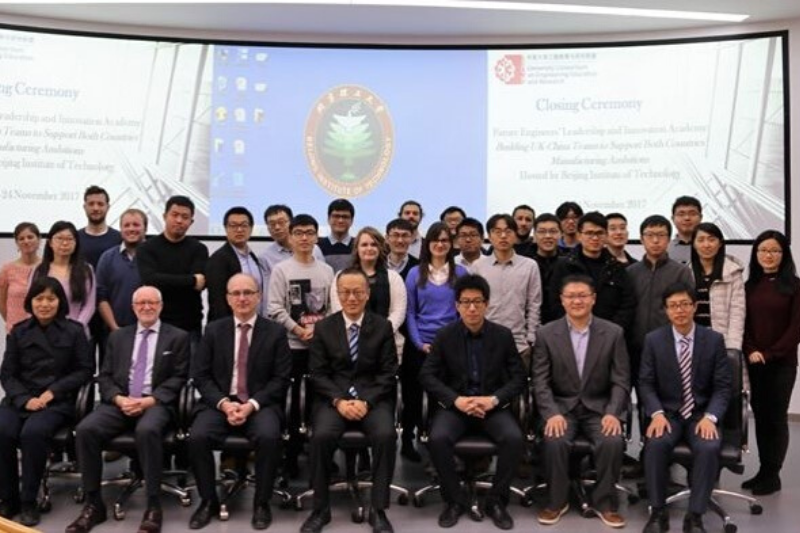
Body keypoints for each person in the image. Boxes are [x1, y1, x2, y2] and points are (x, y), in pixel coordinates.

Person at [67, 286, 189, 533]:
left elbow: (179, 377)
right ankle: (93, 504)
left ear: (161, 306)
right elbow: (105, 376)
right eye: (141, 303)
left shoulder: (178, 337)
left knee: (147, 430)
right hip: (120, 401)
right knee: (86, 429)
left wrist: (150, 401)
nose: (147, 307)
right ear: (133, 308)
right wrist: (119, 399)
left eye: (152, 302)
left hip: (155, 403)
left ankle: (153, 505)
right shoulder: (118, 337)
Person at [419, 274, 526, 530]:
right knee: (438, 438)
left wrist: (493, 400)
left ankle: (496, 501)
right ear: (457, 306)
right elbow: (427, 375)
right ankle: (454, 501)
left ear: (486, 304)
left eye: (477, 301)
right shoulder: (445, 335)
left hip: (491, 407)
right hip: (457, 407)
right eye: (465, 302)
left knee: (514, 438)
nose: (472, 308)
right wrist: (456, 400)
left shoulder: (502, 335)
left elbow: (519, 377)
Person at [189, 274, 291, 530]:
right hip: (221, 403)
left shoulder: (275, 332)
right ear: (228, 299)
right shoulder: (214, 330)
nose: (242, 298)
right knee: (197, 436)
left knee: (269, 436)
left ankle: (262, 503)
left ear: (258, 296)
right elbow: (201, 376)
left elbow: (280, 379)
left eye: (248, 292)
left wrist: (251, 405)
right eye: (236, 293)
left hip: (259, 404)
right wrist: (224, 404)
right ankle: (208, 501)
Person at [301, 268, 399, 533]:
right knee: (320, 436)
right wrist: (339, 401)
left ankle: (378, 509)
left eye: (358, 292)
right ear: (337, 294)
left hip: (372, 400)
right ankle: (320, 510)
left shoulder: (382, 326)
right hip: (334, 400)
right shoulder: (324, 327)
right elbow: (317, 374)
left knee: (386, 435)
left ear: (367, 294)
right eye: (346, 292)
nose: (352, 298)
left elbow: (388, 373)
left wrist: (366, 401)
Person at [533, 275, 629, 529]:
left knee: (612, 440)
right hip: (562, 407)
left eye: (582, 295)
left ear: (593, 299)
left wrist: (613, 413)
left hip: (599, 408)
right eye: (571, 296)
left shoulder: (613, 333)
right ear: (562, 300)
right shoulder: (546, 334)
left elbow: (621, 380)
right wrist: (551, 413)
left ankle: (605, 503)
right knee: (555, 440)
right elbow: (540, 381)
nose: (577, 301)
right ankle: (556, 501)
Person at [0, 277, 93, 526]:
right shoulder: (19, 331)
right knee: (3, 431)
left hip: (56, 402)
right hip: (21, 399)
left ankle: (29, 500)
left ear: (59, 301)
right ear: (30, 302)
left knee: (32, 433)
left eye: (50, 299)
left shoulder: (74, 331)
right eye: (39, 298)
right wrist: (24, 399)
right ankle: (8, 498)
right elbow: (7, 374)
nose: (44, 304)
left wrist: (52, 392)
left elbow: (85, 370)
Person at [639, 282, 731, 533]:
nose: (679, 310)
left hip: (700, 414)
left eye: (684, 304)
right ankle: (658, 512)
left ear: (695, 306)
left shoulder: (713, 340)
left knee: (708, 446)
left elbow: (723, 387)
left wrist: (711, 416)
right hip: (667, 414)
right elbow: (645, 383)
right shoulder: (654, 340)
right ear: (666, 310)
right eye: (673, 306)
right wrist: (656, 413)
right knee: (655, 444)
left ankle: (695, 516)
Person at [267, 214, 334, 476]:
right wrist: (297, 329)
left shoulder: (326, 271)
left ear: (317, 236)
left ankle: (322, 458)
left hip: (320, 349)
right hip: (291, 347)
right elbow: (274, 307)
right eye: (299, 233)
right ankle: (291, 457)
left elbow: (331, 309)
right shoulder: (281, 270)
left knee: (320, 403)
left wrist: (318, 332)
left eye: (309, 232)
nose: (304, 238)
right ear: (291, 236)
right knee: (293, 405)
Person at [404, 223, 468, 463]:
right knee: (414, 397)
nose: (440, 244)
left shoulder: (460, 273)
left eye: (444, 240)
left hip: (451, 345)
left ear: (451, 244)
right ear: (427, 243)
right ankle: (411, 442)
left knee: (445, 397)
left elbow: (463, 312)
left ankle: (442, 446)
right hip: (420, 345)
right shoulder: (414, 273)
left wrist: (448, 343)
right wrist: (419, 343)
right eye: (435, 240)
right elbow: (410, 312)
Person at [742, 230, 800, 496]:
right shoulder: (750, 285)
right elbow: (743, 324)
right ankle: (763, 471)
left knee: (776, 418)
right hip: (754, 362)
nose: (768, 255)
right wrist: (751, 349)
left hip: (781, 364)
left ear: (784, 255)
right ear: (756, 253)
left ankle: (773, 474)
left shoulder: (795, 286)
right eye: (763, 250)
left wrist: (770, 354)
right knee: (761, 417)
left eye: (775, 250)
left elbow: (796, 328)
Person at [628, 215, 694, 388]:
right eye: (650, 235)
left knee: (670, 393)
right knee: (642, 393)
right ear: (641, 239)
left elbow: (687, 310)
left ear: (669, 239)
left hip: (670, 347)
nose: (655, 240)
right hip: (636, 347)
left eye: (661, 235)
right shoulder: (630, 272)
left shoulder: (681, 272)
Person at [136, 195, 209, 344]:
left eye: (185, 217)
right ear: (164, 216)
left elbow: (200, 285)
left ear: (191, 222)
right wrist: (191, 280)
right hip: (157, 324)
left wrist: (164, 280)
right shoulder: (147, 248)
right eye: (174, 215)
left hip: (190, 325)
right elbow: (150, 280)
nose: (179, 220)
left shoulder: (199, 249)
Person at [472, 214, 541, 368]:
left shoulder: (529, 266)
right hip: (484, 342)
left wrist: (531, 337)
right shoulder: (478, 266)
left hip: (519, 344)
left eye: (508, 231)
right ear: (489, 236)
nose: (503, 236)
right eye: (497, 232)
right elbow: (473, 303)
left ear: (515, 235)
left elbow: (534, 304)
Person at [549, 212, 636, 332]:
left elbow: (627, 304)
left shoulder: (616, 267)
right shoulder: (564, 266)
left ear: (606, 236)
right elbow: (554, 302)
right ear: (579, 235)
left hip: (609, 334)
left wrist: (612, 331)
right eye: (589, 233)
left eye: (599, 233)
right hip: (570, 332)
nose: (595, 238)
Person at [330, 227, 407, 361]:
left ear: (380, 248)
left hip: (387, 344)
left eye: (374, 244)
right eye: (364, 245)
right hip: (351, 344)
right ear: (357, 249)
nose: (369, 248)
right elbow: (338, 308)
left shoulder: (393, 277)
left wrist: (380, 334)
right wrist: (360, 332)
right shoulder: (341, 276)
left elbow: (399, 311)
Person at [33, 220, 96, 338]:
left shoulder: (86, 270)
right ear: (50, 242)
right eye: (60, 238)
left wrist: (75, 329)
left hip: (76, 334)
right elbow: (31, 302)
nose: (65, 243)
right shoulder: (40, 270)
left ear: (76, 243)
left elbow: (89, 305)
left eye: (69, 239)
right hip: (44, 335)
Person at [689, 223, 745, 351]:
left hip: (721, 342)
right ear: (694, 244)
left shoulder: (732, 272)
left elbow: (737, 313)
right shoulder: (686, 272)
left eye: (711, 239)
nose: (706, 245)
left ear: (720, 243)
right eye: (701, 240)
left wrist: (733, 346)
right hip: (693, 343)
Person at [206, 207, 265, 321]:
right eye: (233, 225)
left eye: (244, 225)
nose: (239, 229)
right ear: (226, 228)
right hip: (231, 326)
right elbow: (217, 302)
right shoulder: (218, 259)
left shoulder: (253, 257)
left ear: (251, 228)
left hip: (255, 323)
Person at [258, 204, 325, 302]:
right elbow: (268, 294)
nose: (277, 227)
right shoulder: (265, 257)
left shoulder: (315, 249)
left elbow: (323, 280)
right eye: (272, 224)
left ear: (291, 223)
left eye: (281, 222)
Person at [95, 208, 148, 332]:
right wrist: (114, 328)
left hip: (148, 331)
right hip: (114, 331)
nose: (131, 229)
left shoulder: (155, 256)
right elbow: (101, 296)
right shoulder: (107, 258)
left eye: (136, 225)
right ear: (121, 229)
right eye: (126, 225)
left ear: (145, 228)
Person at [0, 222, 41, 333]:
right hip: (15, 331)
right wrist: (12, 323)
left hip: (42, 331)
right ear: (17, 243)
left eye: (30, 237)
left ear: (39, 240)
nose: (26, 241)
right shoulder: (7, 269)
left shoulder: (47, 267)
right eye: (21, 239)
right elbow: (2, 302)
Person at [77, 185, 122, 268]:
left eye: (100, 204)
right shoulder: (75, 238)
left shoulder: (119, 239)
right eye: (91, 204)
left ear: (107, 207)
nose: (96, 208)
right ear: (85, 207)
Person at [532, 213, 562, 324]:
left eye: (553, 231)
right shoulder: (525, 262)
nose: (548, 236)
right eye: (542, 232)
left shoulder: (570, 262)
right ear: (534, 235)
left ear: (561, 234)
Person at [318, 198, 356, 273]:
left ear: (352, 221)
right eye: (336, 216)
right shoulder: (317, 246)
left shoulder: (359, 245)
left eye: (345, 217)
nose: (340, 220)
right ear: (328, 219)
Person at [667, 196, 702, 266]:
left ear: (700, 217)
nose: (687, 218)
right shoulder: (664, 250)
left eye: (692, 214)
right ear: (673, 219)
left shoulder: (712, 247)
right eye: (681, 214)